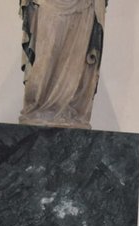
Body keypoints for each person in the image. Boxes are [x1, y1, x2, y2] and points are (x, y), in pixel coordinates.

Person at [18, 0, 108, 129]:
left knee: (76, 64)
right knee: (45, 56)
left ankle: (69, 109)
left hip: (84, 5)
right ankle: (38, 107)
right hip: (48, 4)